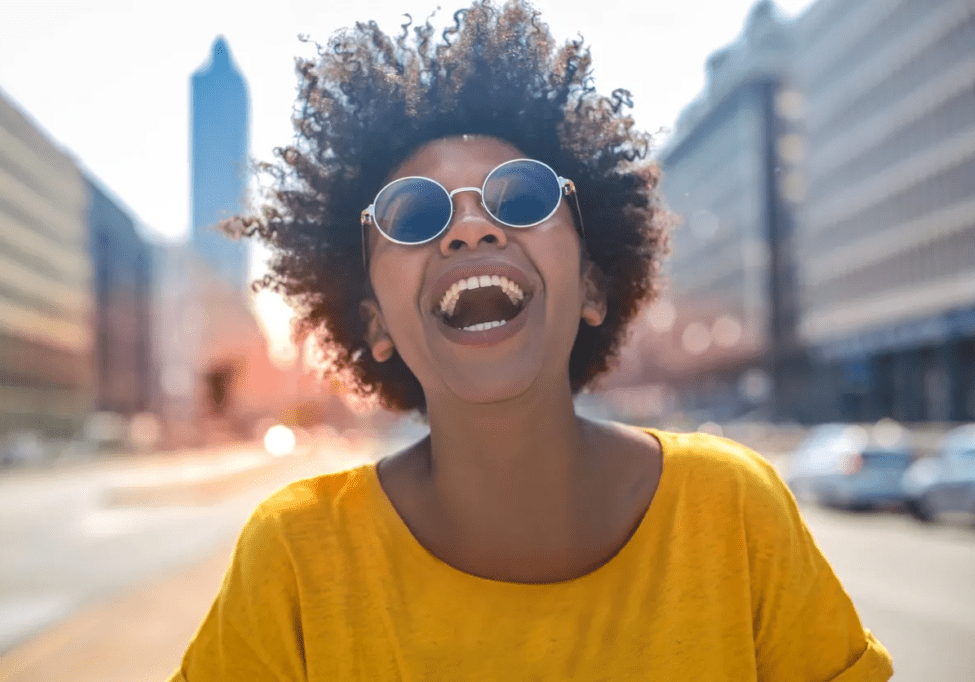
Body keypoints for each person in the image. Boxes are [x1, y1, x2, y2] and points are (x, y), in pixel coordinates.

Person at [169, 1, 894, 679]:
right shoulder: (295, 557)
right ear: (374, 325)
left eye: (520, 197)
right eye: (413, 213)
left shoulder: (734, 510)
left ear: (590, 286)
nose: (471, 228)